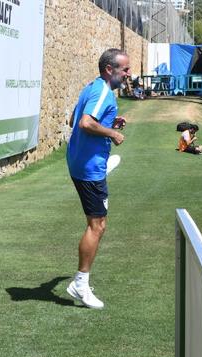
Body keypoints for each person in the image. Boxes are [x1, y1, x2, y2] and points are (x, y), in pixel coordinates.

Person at [65, 48, 129, 309]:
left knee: (97, 223)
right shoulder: (103, 91)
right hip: (89, 169)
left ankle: (80, 281)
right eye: (124, 69)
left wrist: (109, 123)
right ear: (109, 70)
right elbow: (84, 123)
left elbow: (73, 119)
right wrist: (112, 134)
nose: (128, 74)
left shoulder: (92, 87)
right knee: (97, 226)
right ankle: (80, 284)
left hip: (80, 162)